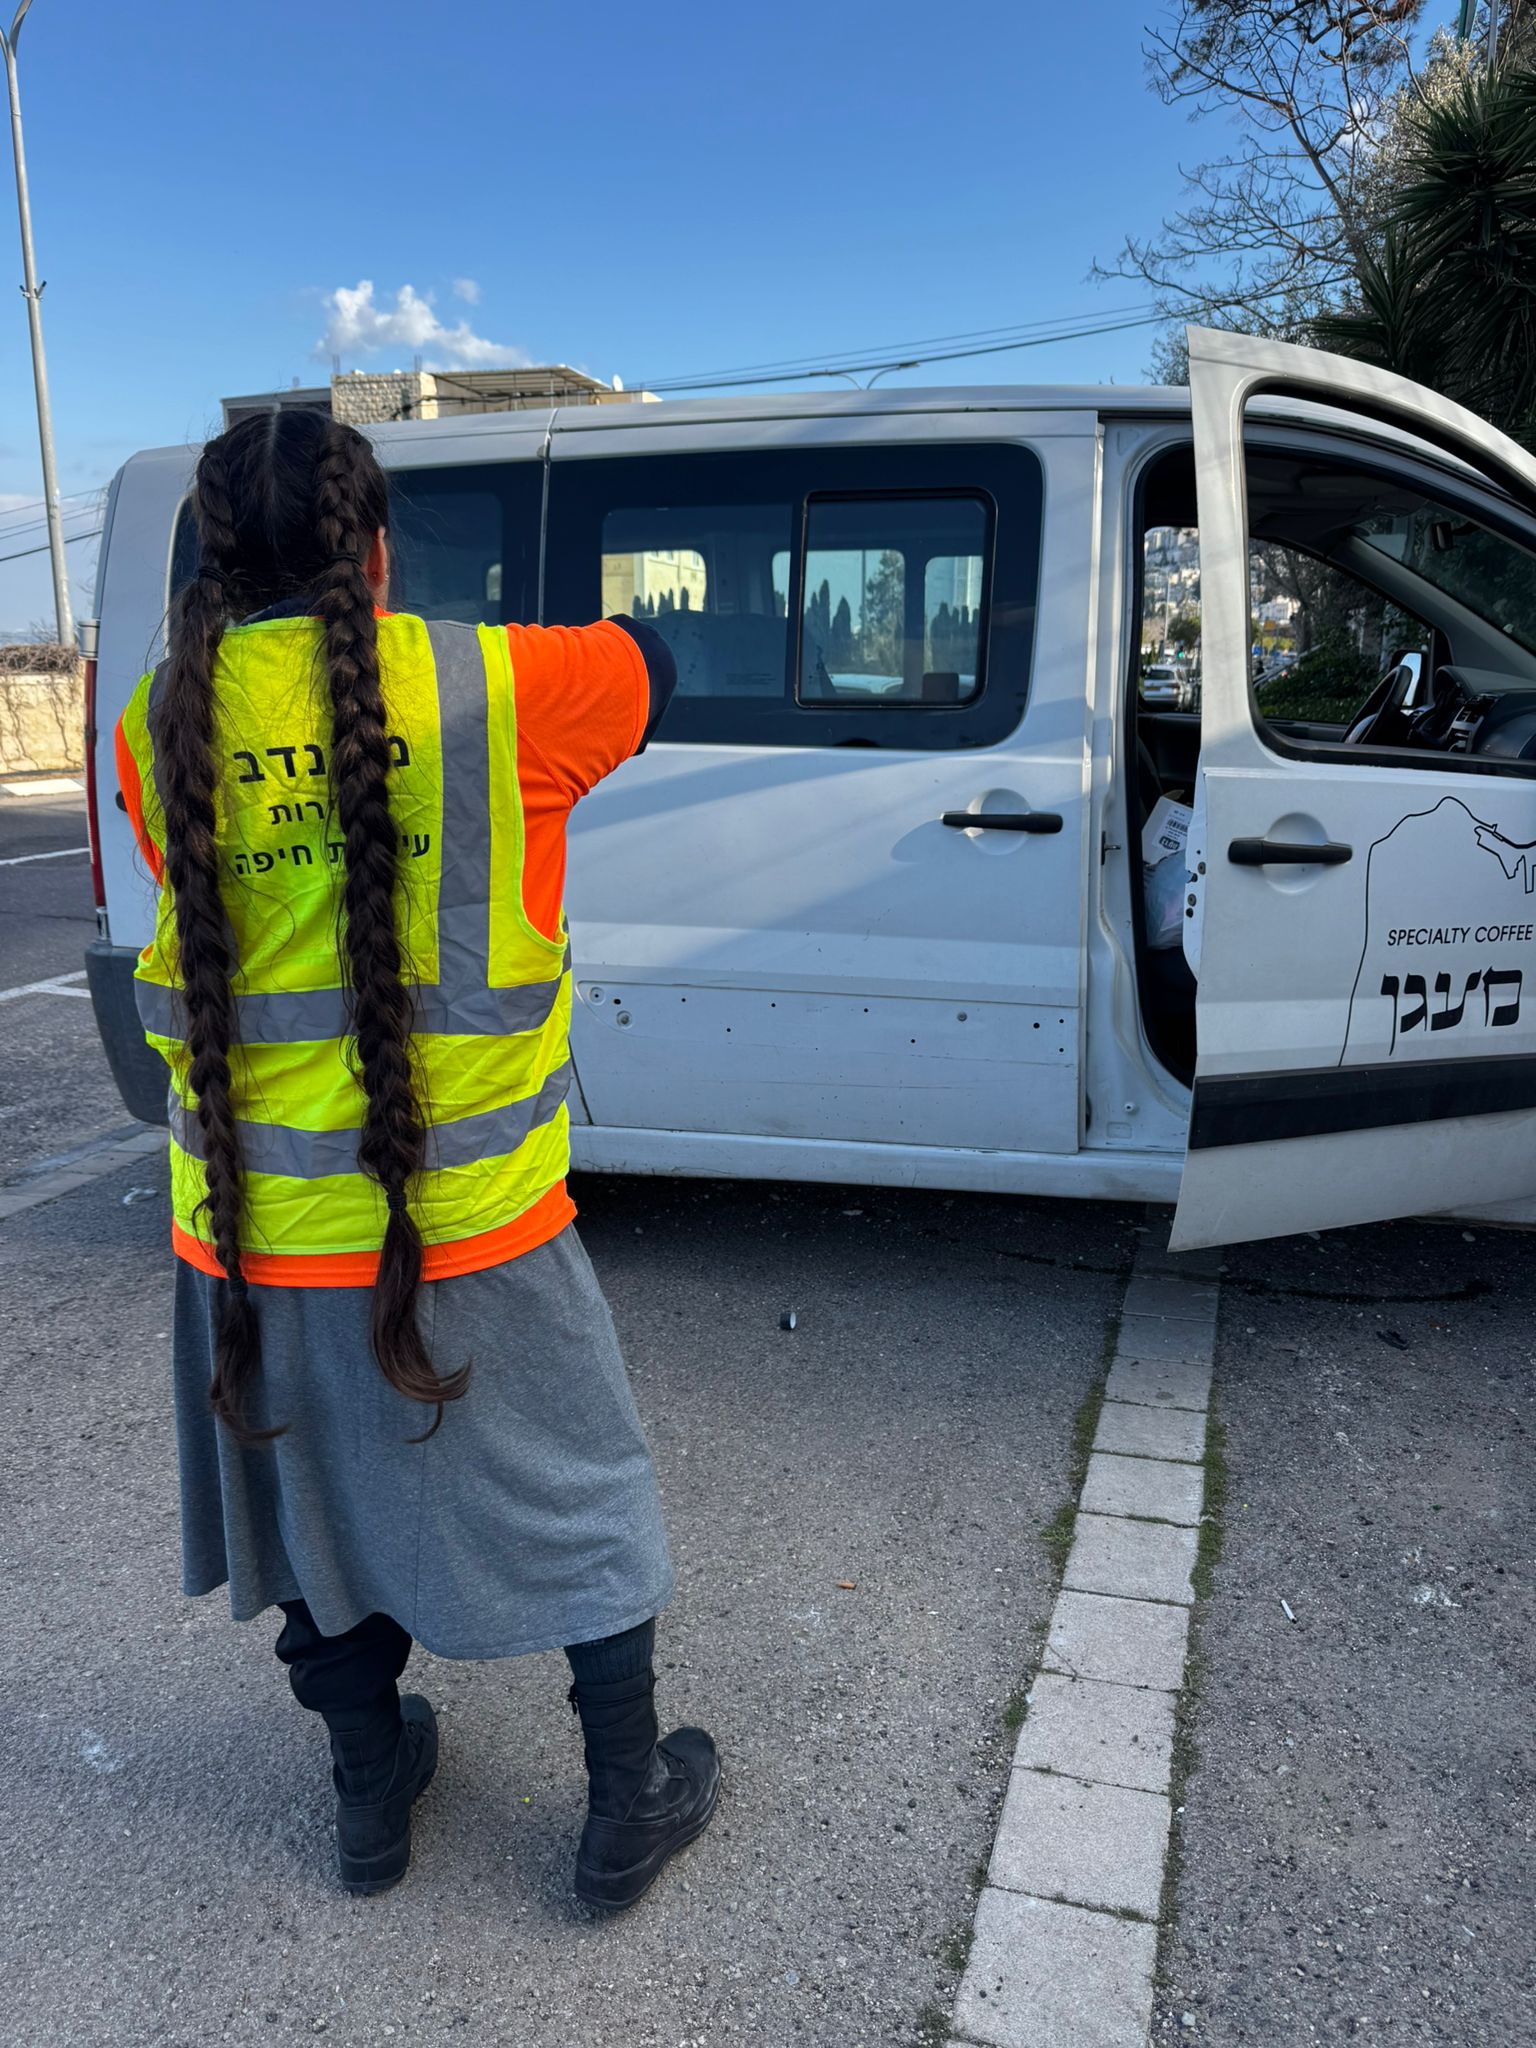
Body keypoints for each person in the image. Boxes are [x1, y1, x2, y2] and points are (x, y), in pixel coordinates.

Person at [114, 407, 719, 1909]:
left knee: (317, 1511)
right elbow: (648, 677)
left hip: (245, 1239)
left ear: (210, 559)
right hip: (473, 1223)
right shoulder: (499, 688)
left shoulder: (152, 726)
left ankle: (372, 1806)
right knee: (586, 1498)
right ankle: (621, 1806)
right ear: (377, 552)